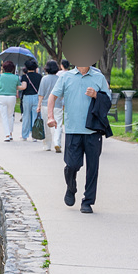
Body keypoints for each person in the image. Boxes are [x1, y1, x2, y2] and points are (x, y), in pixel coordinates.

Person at [47, 62, 111, 213]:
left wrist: (96, 95)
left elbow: (108, 101)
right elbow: (52, 96)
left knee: (92, 168)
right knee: (72, 165)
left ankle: (87, 202)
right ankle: (71, 187)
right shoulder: (66, 77)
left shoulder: (98, 77)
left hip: (93, 130)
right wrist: (50, 117)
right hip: (72, 129)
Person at [37, 60, 63, 152]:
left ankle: (47, 145)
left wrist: (39, 106)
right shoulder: (60, 79)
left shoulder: (44, 79)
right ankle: (57, 143)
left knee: (46, 126)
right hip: (58, 105)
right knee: (58, 125)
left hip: (45, 105)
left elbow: (41, 94)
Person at [0, 61, 21, 141]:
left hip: (2, 97)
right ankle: (11, 133)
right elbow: (18, 86)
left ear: (4, 68)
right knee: (10, 115)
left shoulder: (0, 76)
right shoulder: (16, 77)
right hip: (12, 97)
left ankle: (7, 135)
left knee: (4, 116)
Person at [17, 59, 42, 141]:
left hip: (27, 97)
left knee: (26, 116)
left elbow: (24, 87)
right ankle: (35, 136)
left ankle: (24, 135)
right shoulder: (39, 76)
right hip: (36, 97)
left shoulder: (25, 76)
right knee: (35, 116)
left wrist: (17, 87)